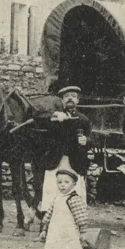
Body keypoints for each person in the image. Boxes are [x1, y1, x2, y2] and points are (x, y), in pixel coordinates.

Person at [38, 86, 91, 229]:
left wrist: (86, 141)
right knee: (51, 193)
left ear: (78, 100)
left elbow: (90, 138)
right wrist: (55, 116)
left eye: (73, 96)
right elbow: (38, 119)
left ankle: (74, 227)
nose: (70, 99)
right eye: (67, 96)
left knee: (74, 194)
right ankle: (46, 229)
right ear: (62, 100)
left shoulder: (83, 120)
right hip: (55, 161)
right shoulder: (55, 117)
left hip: (74, 162)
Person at [42, 168, 92, 249]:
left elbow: (81, 217)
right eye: (59, 182)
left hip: (70, 233)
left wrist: (83, 231)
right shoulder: (57, 198)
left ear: (74, 184)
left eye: (66, 182)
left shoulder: (74, 199)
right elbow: (49, 214)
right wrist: (44, 228)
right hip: (56, 232)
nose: (62, 185)